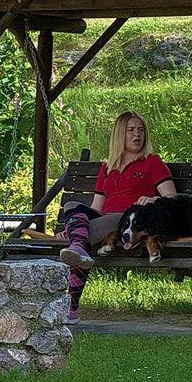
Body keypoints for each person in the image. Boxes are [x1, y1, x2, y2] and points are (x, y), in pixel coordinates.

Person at [55, 111, 178, 315]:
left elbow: (172, 198)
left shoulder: (152, 162)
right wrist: (74, 224)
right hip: (104, 219)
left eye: (141, 130)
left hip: (126, 221)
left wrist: (153, 199)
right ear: (119, 134)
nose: (137, 135)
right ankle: (78, 244)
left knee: (82, 239)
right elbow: (96, 207)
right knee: (71, 206)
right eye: (131, 130)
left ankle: (72, 303)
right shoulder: (107, 167)